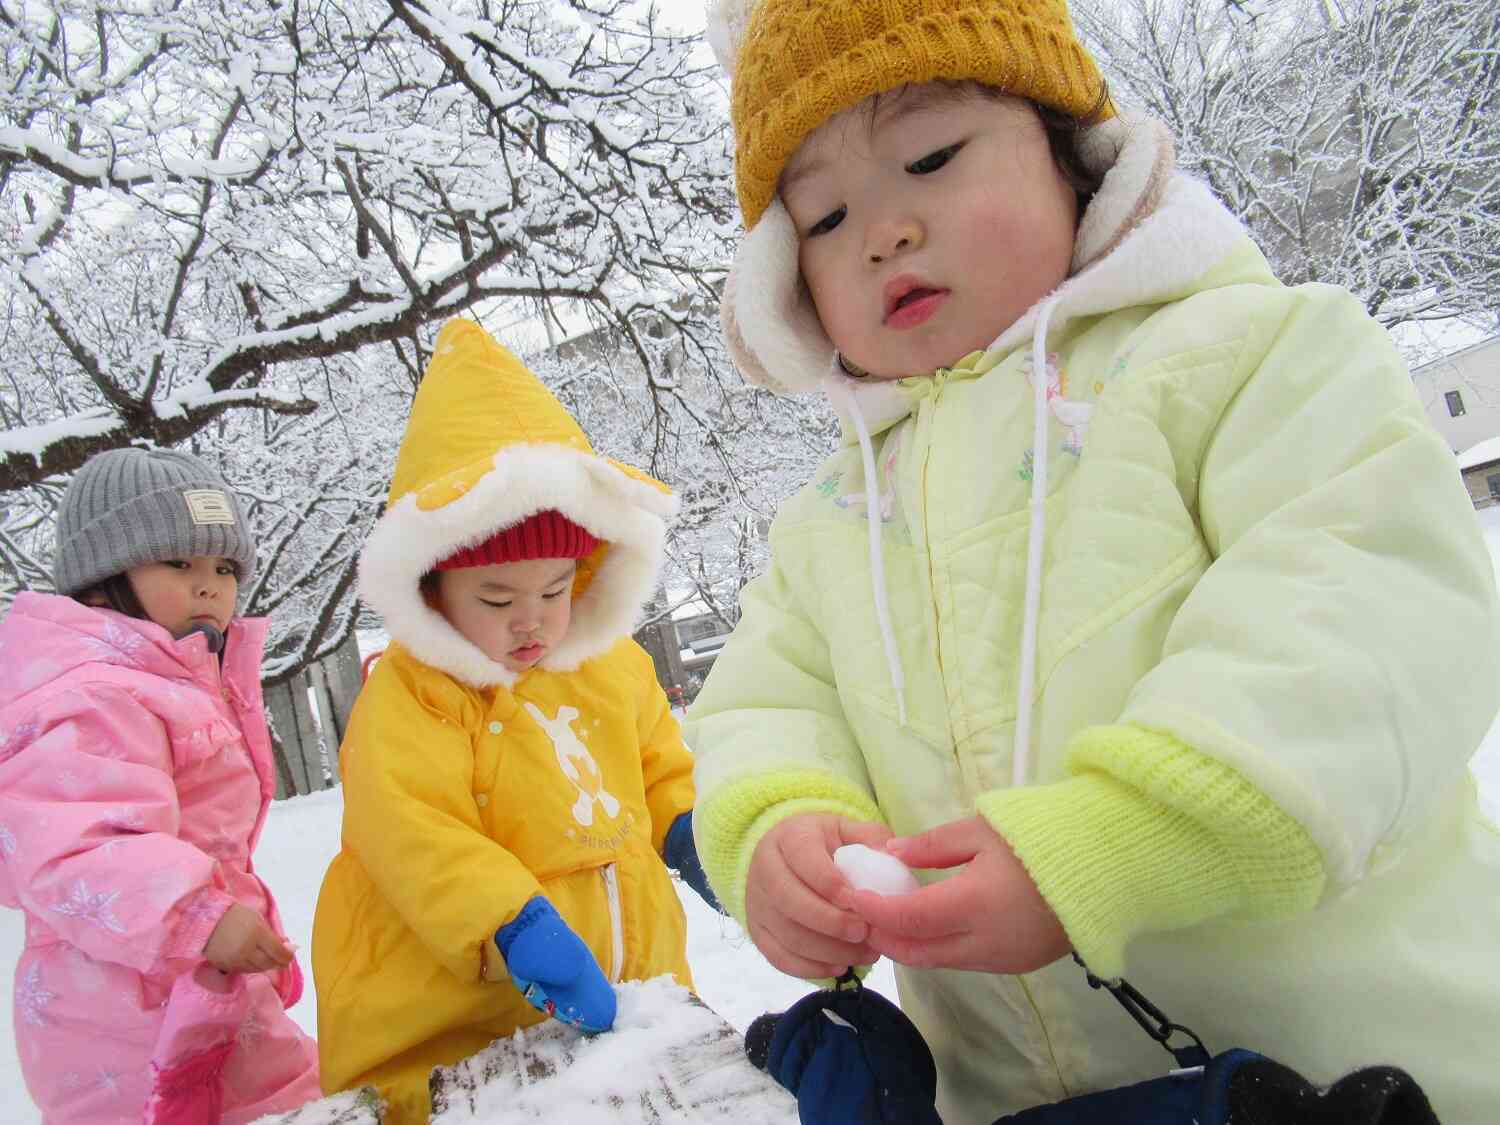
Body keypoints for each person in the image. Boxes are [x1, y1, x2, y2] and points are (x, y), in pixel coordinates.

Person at [686, 1, 1500, 1122]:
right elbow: (767, 705)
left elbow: (1367, 611)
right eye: (823, 219)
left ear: (1074, 155)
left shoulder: (1240, 356)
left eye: (931, 156)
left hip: (1367, 1070)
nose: (883, 233)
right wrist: (782, 826)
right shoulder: (836, 517)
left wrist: (1122, 836)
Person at [311, 318, 718, 1124]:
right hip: (462, 1028)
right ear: (433, 587)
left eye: (556, 591)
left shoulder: (610, 668)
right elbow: (408, 825)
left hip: (624, 1003)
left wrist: (692, 833)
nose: (532, 624)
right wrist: (509, 917)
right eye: (497, 600)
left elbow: (660, 765)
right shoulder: (418, 695)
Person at [0, 447, 321, 1124]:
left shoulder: (169, 683)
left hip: (192, 984)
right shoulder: (89, 694)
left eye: (225, 567)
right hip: (123, 1020)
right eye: (178, 562)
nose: (209, 584)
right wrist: (199, 916)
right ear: (104, 575)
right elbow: (79, 844)